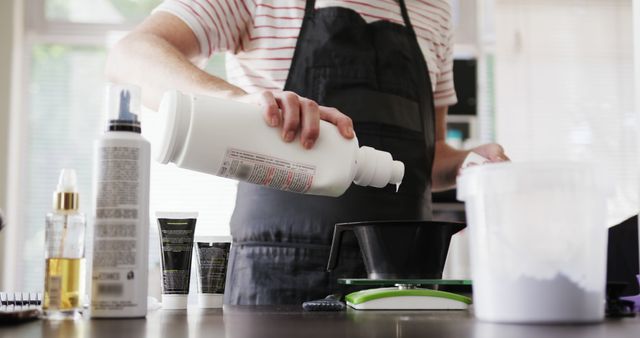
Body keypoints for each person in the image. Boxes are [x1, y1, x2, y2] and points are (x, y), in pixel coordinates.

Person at [106, 0, 509, 305]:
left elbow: (430, 154)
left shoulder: (434, 10)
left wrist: (470, 164)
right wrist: (239, 103)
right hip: (274, 274)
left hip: (403, 281)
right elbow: (129, 56)